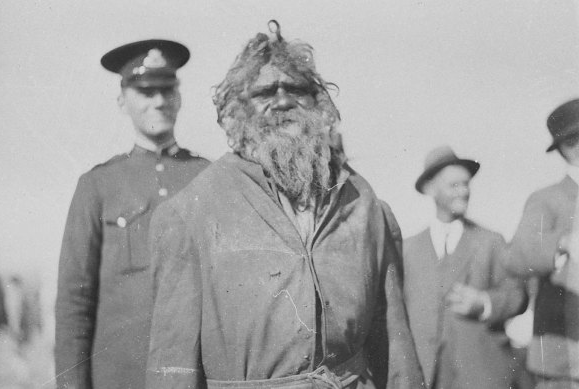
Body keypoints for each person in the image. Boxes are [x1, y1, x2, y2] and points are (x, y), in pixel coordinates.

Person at [146, 21, 423, 389]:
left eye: (296, 89)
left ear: (317, 103)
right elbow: (172, 370)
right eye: (264, 92)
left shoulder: (361, 202)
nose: (281, 101)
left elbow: (396, 347)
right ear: (237, 109)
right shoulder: (192, 211)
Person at [54, 39, 210, 389]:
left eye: (167, 90)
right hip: (119, 378)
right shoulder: (98, 186)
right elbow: (73, 304)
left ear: (179, 97)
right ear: (122, 101)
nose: (158, 101)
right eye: (145, 91)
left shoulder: (209, 178)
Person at [403, 146, 528, 389]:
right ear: (430, 189)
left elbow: (518, 295)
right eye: (454, 185)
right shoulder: (407, 249)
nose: (464, 192)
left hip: (481, 376)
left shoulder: (491, 241)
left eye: (466, 184)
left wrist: (485, 303)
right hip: (426, 376)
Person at [507, 98, 579, 388]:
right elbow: (516, 255)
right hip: (567, 365)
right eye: (574, 140)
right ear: (564, 149)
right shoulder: (548, 199)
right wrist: (563, 242)